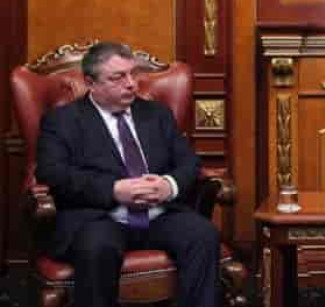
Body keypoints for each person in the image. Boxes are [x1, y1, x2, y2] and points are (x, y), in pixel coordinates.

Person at [35, 42, 220, 307]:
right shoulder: (62, 120)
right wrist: (113, 190)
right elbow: (52, 172)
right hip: (100, 217)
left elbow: (189, 163)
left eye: (133, 74)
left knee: (202, 234)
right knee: (98, 246)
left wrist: (168, 185)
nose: (131, 84)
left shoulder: (157, 114)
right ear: (90, 83)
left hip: (158, 214)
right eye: (118, 77)